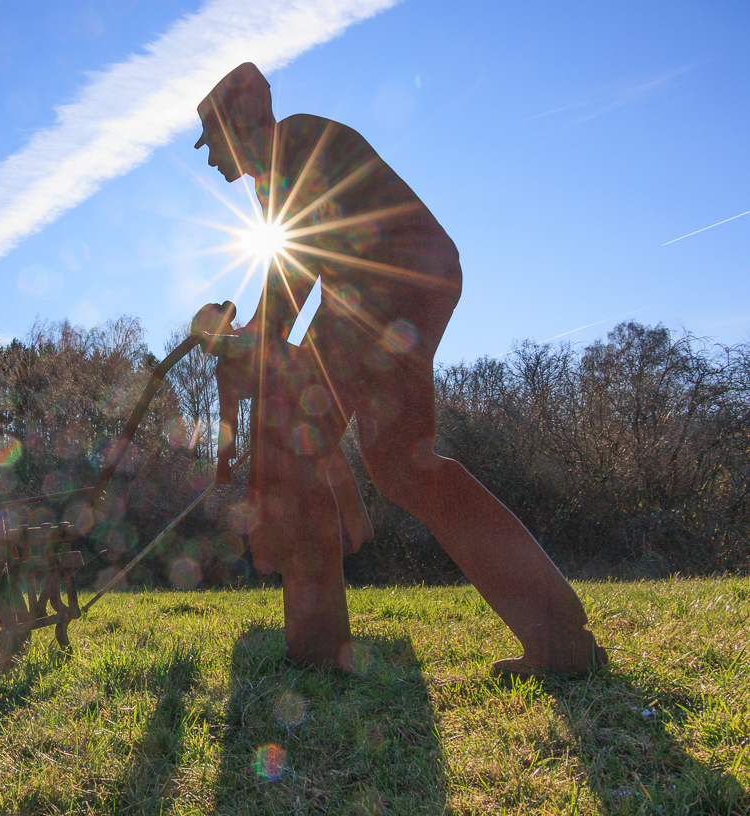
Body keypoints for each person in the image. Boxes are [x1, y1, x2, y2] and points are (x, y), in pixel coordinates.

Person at [194, 62, 606, 676]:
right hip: (392, 291)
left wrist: (247, 340)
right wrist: (248, 336)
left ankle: (318, 651)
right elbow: (294, 284)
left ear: (241, 123)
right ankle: (558, 636)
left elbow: (291, 284)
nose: (208, 162)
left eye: (212, 144)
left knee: (304, 439)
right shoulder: (278, 171)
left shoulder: (297, 145)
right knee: (399, 463)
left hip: (387, 293)